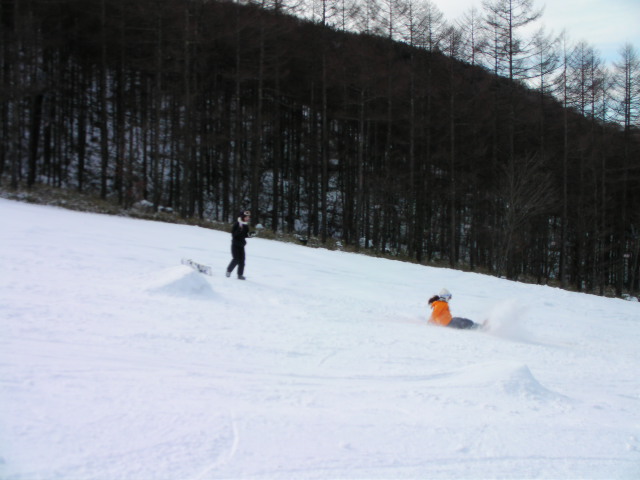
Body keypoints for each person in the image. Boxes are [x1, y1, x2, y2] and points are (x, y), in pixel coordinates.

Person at [226, 210, 256, 280]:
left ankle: (240, 274)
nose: (248, 218)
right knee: (236, 259)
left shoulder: (245, 225)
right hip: (235, 245)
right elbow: (234, 235)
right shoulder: (237, 224)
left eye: (248, 217)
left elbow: (245, 235)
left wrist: (250, 235)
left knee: (242, 260)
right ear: (242, 217)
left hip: (241, 245)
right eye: (246, 217)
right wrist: (239, 230)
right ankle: (229, 271)